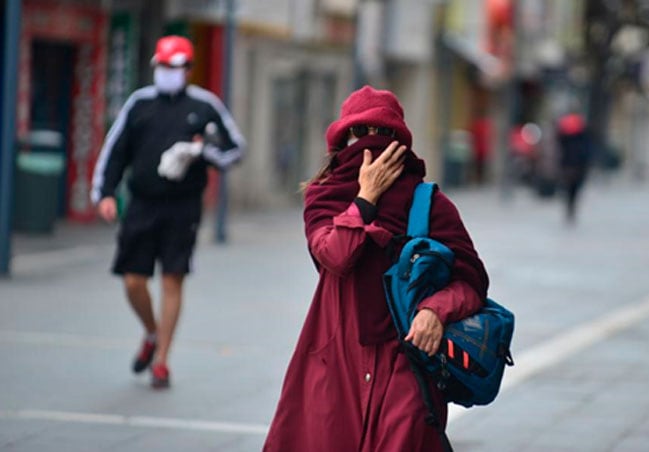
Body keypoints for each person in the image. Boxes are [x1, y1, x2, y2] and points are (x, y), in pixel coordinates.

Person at [263, 86, 489, 451]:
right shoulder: (325, 196)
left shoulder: (428, 204)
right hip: (337, 360)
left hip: (408, 359)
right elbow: (336, 256)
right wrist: (365, 201)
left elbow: (472, 280)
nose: (371, 144)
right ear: (344, 141)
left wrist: (436, 310)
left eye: (384, 135)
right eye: (360, 134)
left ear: (400, 144)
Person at [90, 35, 246, 389]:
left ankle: (161, 359)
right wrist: (105, 193)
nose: (167, 72)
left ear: (188, 69)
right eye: (162, 66)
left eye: (174, 67)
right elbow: (115, 151)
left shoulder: (206, 105)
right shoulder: (139, 103)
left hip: (183, 206)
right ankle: (151, 331)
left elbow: (235, 149)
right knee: (133, 280)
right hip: (142, 202)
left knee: (172, 278)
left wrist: (201, 152)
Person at [556, 112, 592, 223]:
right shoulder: (579, 137)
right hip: (575, 168)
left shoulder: (565, 138)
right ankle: (570, 208)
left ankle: (570, 208)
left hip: (571, 167)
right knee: (572, 190)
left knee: (570, 190)